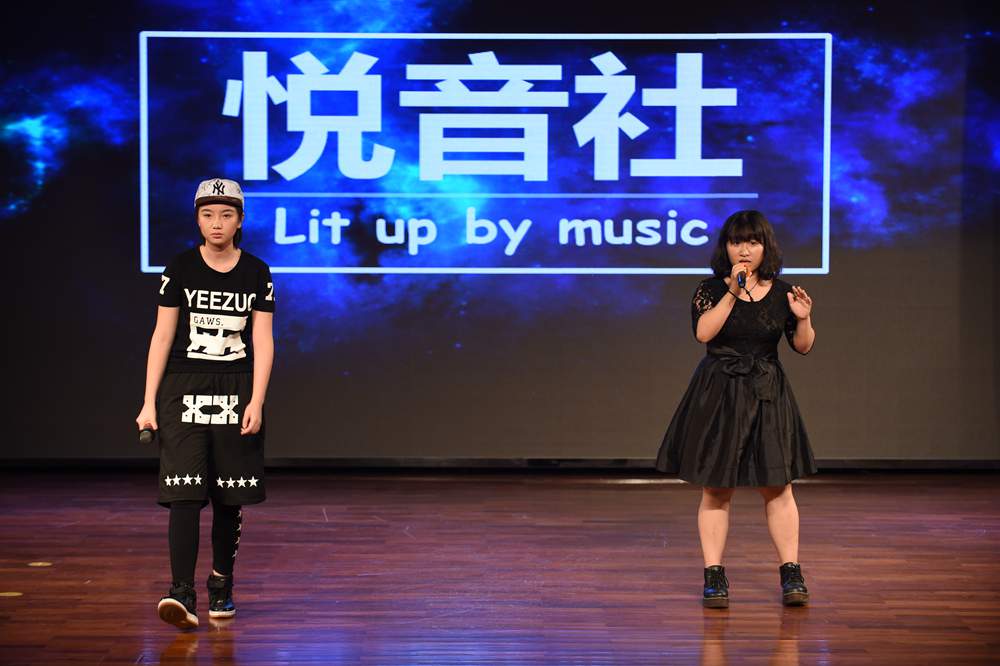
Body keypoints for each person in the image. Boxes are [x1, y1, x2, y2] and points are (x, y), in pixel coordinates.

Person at [656, 210, 816, 608]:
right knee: (716, 487)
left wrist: (804, 318)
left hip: (766, 391)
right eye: (736, 242)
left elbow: (802, 346)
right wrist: (732, 291)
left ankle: (791, 573)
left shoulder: (783, 292)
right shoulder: (710, 289)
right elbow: (704, 333)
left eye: (753, 242)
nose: (744, 250)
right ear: (725, 247)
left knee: (778, 486)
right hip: (720, 392)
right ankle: (714, 576)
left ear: (766, 247)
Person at [136, 178, 275, 628]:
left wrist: (257, 400)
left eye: (226, 215)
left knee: (229, 496)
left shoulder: (257, 272)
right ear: (197, 219)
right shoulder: (179, 268)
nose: (217, 223)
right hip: (183, 385)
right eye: (208, 214)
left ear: (240, 220)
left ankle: (221, 583)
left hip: (237, 385)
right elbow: (162, 336)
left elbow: (263, 340)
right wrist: (148, 402)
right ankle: (181, 592)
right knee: (184, 491)